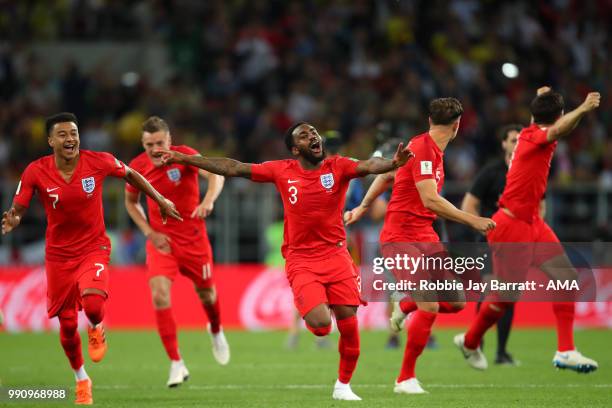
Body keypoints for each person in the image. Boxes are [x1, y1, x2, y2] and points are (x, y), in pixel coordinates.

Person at [157, 122, 414, 401]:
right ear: (295, 149)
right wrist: (184, 158)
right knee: (320, 327)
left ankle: (343, 386)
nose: (313, 136)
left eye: (313, 132)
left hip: (337, 255)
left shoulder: (338, 166)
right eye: (304, 135)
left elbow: (368, 165)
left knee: (349, 325)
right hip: (301, 258)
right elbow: (233, 167)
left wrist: (391, 163)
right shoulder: (281, 170)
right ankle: (312, 299)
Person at [1, 112, 181, 405]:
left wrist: (160, 199)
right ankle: (81, 378)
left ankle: (97, 327)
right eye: (62, 134)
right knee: (68, 326)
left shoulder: (98, 161)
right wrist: (13, 219)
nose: (70, 138)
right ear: (50, 141)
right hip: (58, 256)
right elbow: (19, 207)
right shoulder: (36, 171)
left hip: (93, 248)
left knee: (94, 306)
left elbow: (132, 174)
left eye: (73, 133)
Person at [344, 98, 496, 394]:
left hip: (425, 236)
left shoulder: (430, 150)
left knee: (455, 301)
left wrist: (362, 206)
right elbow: (430, 199)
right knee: (429, 303)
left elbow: (388, 174)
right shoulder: (424, 149)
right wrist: (472, 220)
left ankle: (404, 305)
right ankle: (405, 379)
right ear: (457, 126)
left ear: (430, 121)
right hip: (400, 238)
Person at [454, 87, 600, 373]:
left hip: (533, 223)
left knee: (567, 279)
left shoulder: (531, 130)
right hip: (511, 225)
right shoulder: (537, 136)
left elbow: (553, 124)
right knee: (506, 296)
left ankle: (566, 350)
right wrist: (582, 108)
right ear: (557, 117)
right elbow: (558, 130)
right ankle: (470, 341)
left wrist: (543, 95)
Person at [124, 116, 229, 388]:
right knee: (159, 295)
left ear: (169, 141)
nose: (156, 148)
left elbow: (216, 173)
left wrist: (208, 200)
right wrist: (149, 232)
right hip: (162, 243)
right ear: (142, 144)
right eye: (149, 144)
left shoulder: (185, 156)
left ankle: (216, 330)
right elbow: (131, 201)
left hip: (194, 240)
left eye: (160, 142)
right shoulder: (137, 167)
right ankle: (176, 363)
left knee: (207, 293)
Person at [460, 124, 529, 365]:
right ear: (503, 143)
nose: (516, 143)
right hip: (491, 241)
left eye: (520, 139)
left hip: (517, 243)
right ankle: (476, 344)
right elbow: (468, 204)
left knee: (509, 295)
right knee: (492, 290)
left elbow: (539, 206)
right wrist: (481, 227)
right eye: (512, 139)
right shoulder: (491, 172)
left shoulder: (527, 171)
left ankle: (501, 352)